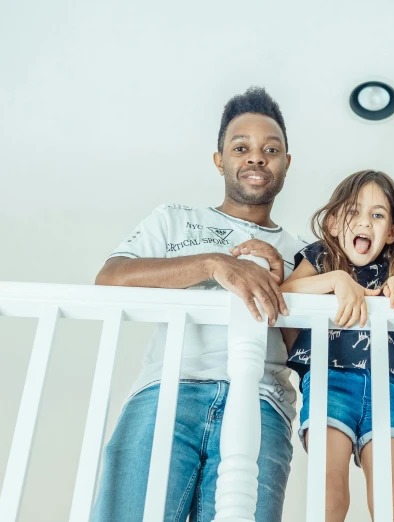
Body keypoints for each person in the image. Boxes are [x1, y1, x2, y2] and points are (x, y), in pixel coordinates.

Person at [92, 86, 304, 522]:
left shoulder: (304, 251)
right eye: (240, 147)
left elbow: (300, 348)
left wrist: (285, 282)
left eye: (271, 149)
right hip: (166, 395)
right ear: (219, 159)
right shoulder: (174, 218)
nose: (256, 157)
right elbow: (110, 279)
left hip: (261, 405)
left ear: (286, 162)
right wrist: (214, 264)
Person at [280, 170, 394, 522]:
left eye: (377, 215)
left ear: (391, 231)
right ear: (332, 223)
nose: (364, 222)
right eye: (353, 213)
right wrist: (336, 279)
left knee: (391, 503)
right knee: (330, 494)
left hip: (387, 392)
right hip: (328, 385)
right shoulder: (320, 260)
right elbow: (284, 295)